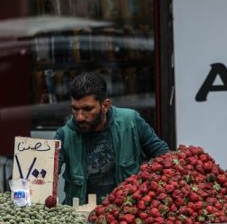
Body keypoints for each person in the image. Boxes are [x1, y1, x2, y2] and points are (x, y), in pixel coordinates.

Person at [55, 71, 169, 205]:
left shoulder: (131, 122)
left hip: (126, 213)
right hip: (81, 217)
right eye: (75, 109)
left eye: (87, 109)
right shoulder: (64, 135)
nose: (79, 117)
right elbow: (46, 174)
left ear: (105, 106)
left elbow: (164, 157)